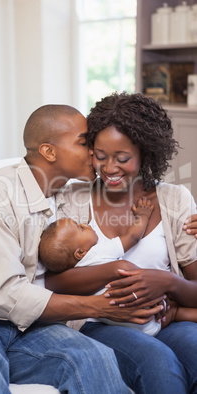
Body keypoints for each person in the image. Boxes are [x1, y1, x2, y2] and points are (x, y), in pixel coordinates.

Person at [0, 104, 135, 394]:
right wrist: (98, 306)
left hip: (29, 328)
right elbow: (5, 296)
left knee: (94, 358)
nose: (95, 151)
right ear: (49, 152)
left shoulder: (67, 199)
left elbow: (136, 185)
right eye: (84, 142)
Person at [44, 92, 197, 393]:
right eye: (100, 156)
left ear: (145, 153)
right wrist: (118, 269)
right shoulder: (72, 200)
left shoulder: (174, 200)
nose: (110, 168)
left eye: (122, 158)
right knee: (157, 364)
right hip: (97, 323)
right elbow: (50, 281)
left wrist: (165, 282)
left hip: (162, 320)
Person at [39, 213, 197, 335]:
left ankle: (174, 313)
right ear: (80, 253)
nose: (84, 224)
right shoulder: (98, 252)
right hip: (147, 307)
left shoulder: (76, 269)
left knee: (174, 313)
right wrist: (143, 216)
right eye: (80, 228)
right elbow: (132, 237)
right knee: (174, 310)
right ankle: (174, 311)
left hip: (132, 323)